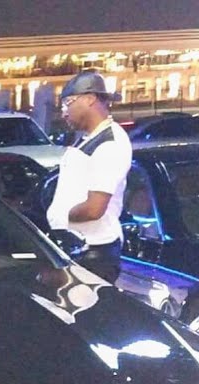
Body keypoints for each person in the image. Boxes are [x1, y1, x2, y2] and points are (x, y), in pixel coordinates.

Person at [45, 70, 132, 284]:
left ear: (90, 99)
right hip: (80, 250)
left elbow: (94, 208)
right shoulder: (90, 138)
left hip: (93, 255)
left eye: (68, 103)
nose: (64, 112)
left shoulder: (110, 144)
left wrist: (61, 218)